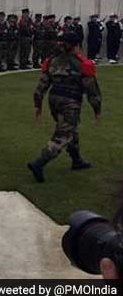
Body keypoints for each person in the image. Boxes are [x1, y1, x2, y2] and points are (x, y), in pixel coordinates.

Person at [27, 32, 102, 183]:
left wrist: (38, 104)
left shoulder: (52, 60)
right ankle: (39, 163)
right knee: (64, 134)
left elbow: (42, 85)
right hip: (71, 101)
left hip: (54, 100)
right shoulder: (83, 64)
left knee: (70, 129)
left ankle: (76, 160)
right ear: (76, 46)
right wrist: (97, 109)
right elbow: (92, 90)